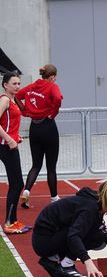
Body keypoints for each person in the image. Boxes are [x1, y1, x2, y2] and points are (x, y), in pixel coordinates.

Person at [32, 179, 107, 277]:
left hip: (48, 236)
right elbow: (73, 235)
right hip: (44, 241)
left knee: (98, 235)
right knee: (91, 235)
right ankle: (65, 265)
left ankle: (52, 260)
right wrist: (87, 261)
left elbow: (100, 228)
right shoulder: (90, 208)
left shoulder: (97, 204)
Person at [17, 64, 63, 208]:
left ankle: (26, 191)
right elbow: (57, 98)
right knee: (51, 167)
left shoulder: (32, 86)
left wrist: (25, 110)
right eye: (55, 77)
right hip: (48, 126)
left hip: (34, 128)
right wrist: (53, 112)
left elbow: (18, 96)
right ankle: (54, 197)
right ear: (52, 77)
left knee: (36, 165)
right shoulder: (52, 86)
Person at [0, 72, 28, 234]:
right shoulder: (4, 100)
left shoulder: (12, 100)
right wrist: (9, 139)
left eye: (19, 83)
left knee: (17, 184)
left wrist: (16, 136)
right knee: (17, 184)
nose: (17, 86)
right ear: (5, 85)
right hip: (6, 146)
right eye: (14, 83)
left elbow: (8, 123)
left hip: (10, 144)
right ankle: (9, 222)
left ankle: (13, 220)